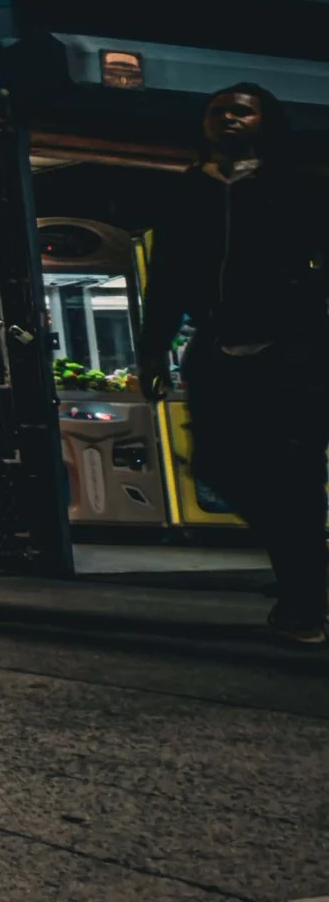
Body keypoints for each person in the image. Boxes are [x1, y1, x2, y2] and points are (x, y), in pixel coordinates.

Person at [138, 84, 328, 644]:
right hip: (217, 346)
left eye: (241, 112)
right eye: (217, 111)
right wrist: (153, 348)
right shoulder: (189, 191)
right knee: (218, 466)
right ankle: (306, 563)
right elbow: (167, 276)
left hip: (292, 347)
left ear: (265, 121)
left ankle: (302, 602)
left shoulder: (295, 184)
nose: (227, 119)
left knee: (293, 476)